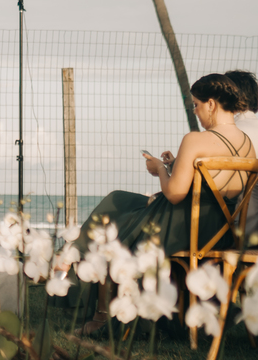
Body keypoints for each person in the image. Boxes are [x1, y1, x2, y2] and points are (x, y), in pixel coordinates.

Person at [78, 72, 254, 256]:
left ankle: (72, 262)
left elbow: (173, 194)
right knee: (126, 204)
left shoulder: (195, 140)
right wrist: (177, 165)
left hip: (184, 230)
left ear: (210, 104)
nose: (195, 111)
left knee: (116, 201)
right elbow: (216, 184)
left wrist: (160, 168)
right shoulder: (248, 144)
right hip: (222, 234)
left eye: (196, 105)